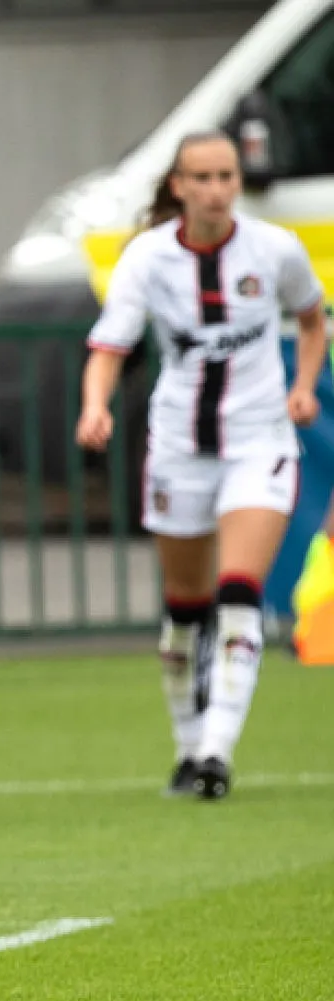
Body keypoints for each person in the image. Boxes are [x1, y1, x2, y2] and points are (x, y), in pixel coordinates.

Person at [78, 130, 324, 802]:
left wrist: (304, 386)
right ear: (179, 187)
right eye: (204, 178)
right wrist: (95, 406)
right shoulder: (148, 257)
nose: (217, 190)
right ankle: (188, 745)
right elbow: (109, 346)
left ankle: (217, 750)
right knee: (186, 608)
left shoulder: (274, 248)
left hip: (259, 440)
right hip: (180, 448)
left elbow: (312, 319)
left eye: (227, 177)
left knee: (239, 591)